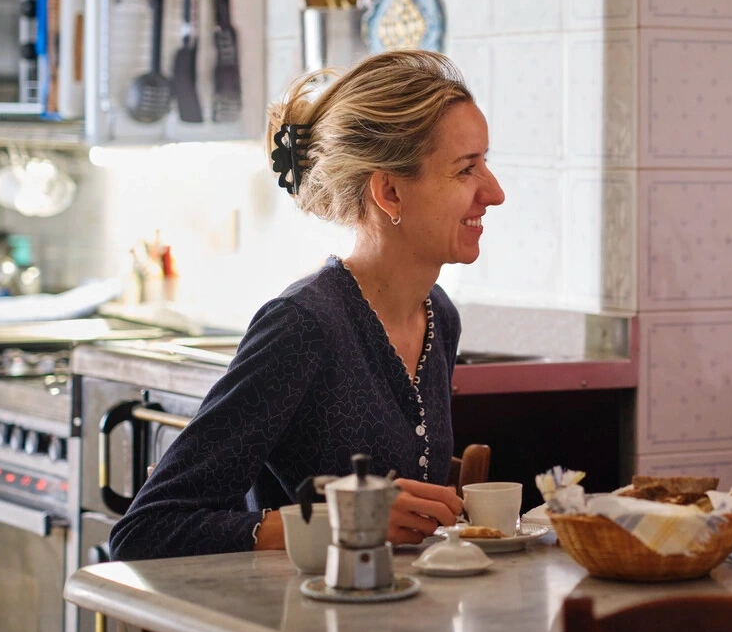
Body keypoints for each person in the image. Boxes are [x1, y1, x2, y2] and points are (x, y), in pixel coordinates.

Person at [110, 50, 504, 559]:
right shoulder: (303, 325)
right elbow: (146, 531)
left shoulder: (438, 315)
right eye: (466, 169)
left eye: (485, 164)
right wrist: (341, 520)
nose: (493, 193)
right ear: (389, 192)